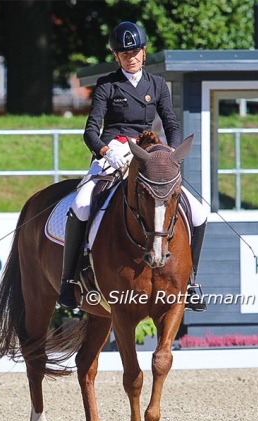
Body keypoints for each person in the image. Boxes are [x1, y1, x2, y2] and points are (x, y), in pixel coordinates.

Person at [58, 21, 207, 312]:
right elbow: (90, 130)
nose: (132, 57)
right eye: (125, 53)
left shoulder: (158, 85)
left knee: (199, 212)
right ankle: (70, 281)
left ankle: (190, 283)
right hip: (114, 149)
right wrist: (104, 150)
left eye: (136, 51)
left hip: (150, 153)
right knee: (82, 203)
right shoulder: (107, 85)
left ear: (144, 51)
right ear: (116, 56)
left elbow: (172, 124)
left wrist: (170, 153)